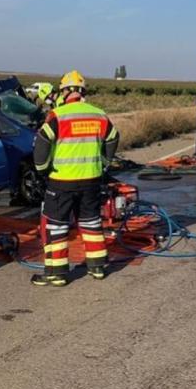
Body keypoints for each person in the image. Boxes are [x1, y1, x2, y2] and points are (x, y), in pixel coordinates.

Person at [31, 70, 119, 287]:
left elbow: (42, 143)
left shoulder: (58, 115)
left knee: (56, 226)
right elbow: (113, 137)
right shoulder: (99, 115)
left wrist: (42, 169)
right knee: (91, 222)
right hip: (91, 179)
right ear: (82, 92)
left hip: (62, 181)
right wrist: (104, 163)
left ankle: (56, 273)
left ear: (64, 92)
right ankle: (97, 267)